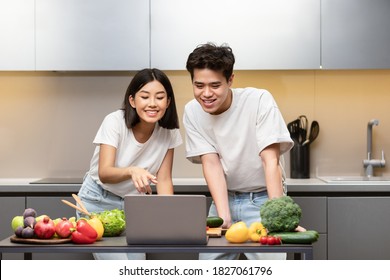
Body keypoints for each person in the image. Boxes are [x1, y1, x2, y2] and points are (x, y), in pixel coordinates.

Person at [183, 43, 294, 260]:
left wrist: (276, 217)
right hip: (224, 199)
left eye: (215, 85)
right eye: (199, 85)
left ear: (230, 79)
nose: (206, 94)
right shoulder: (192, 111)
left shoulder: (259, 101)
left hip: (263, 200)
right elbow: (211, 163)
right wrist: (224, 217)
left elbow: (269, 161)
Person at [77, 68, 182, 260]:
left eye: (159, 97)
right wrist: (133, 170)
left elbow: (164, 179)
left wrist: (169, 216)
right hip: (98, 201)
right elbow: (105, 172)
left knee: (137, 268)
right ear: (132, 100)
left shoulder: (169, 132)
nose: (152, 104)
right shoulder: (114, 121)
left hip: (134, 207)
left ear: (168, 102)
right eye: (145, 97)